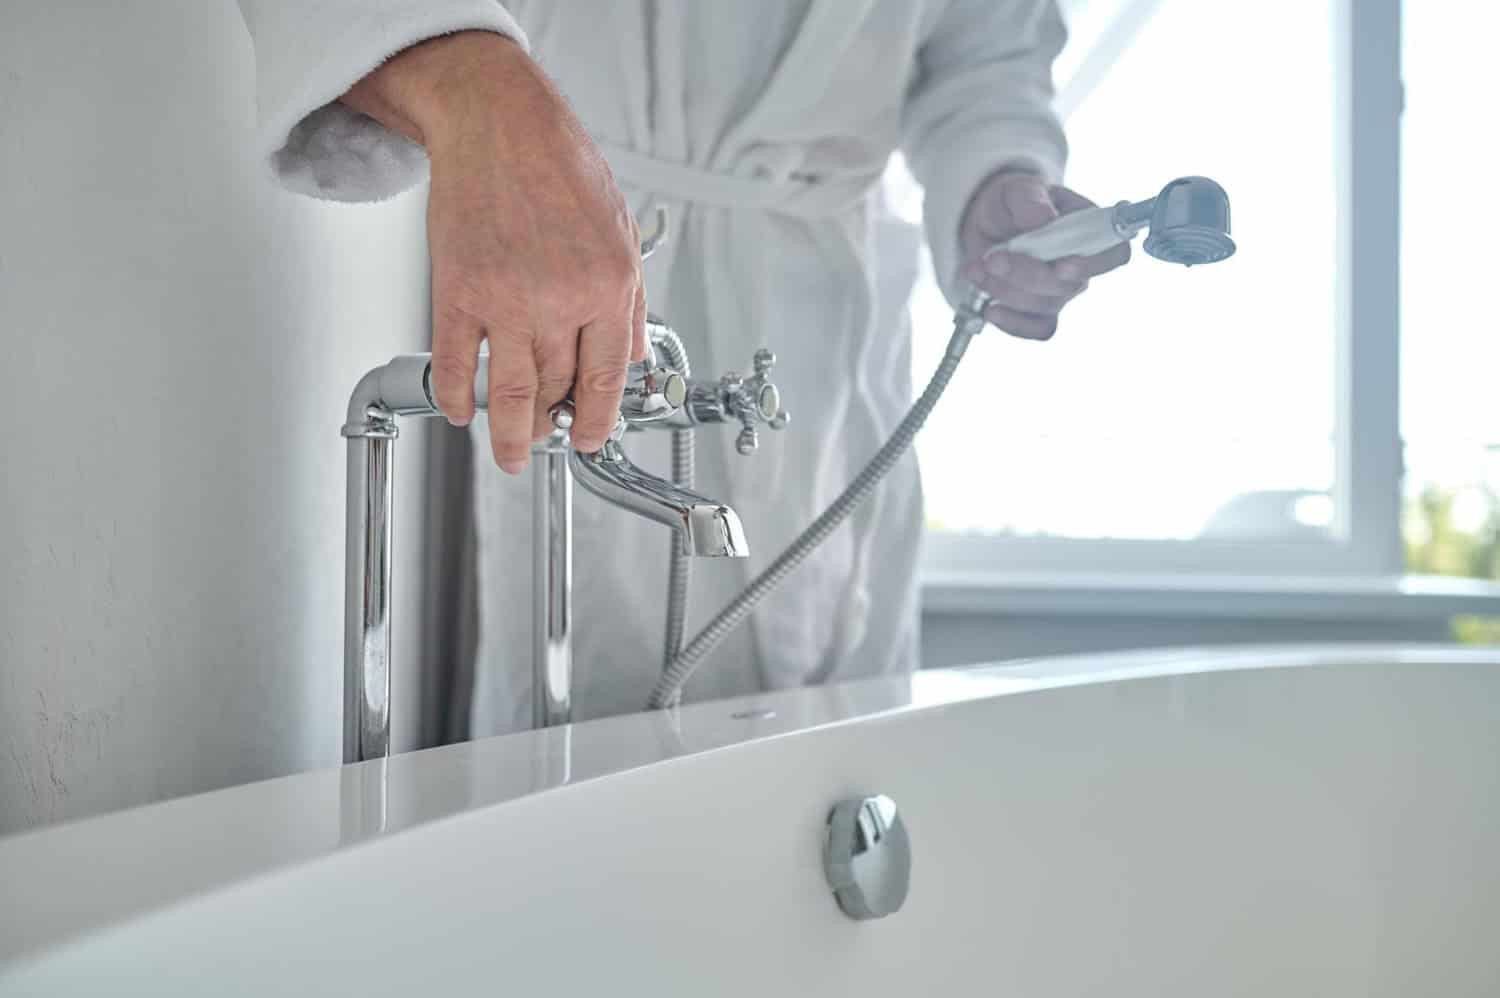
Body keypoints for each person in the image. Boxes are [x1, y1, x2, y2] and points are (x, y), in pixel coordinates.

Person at [235, 0, 1128, 734]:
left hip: (832, 319)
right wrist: (474, 93)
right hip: (578, 248)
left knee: (837, 793)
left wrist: (996, 175)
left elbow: (985, 51)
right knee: (587, 764)